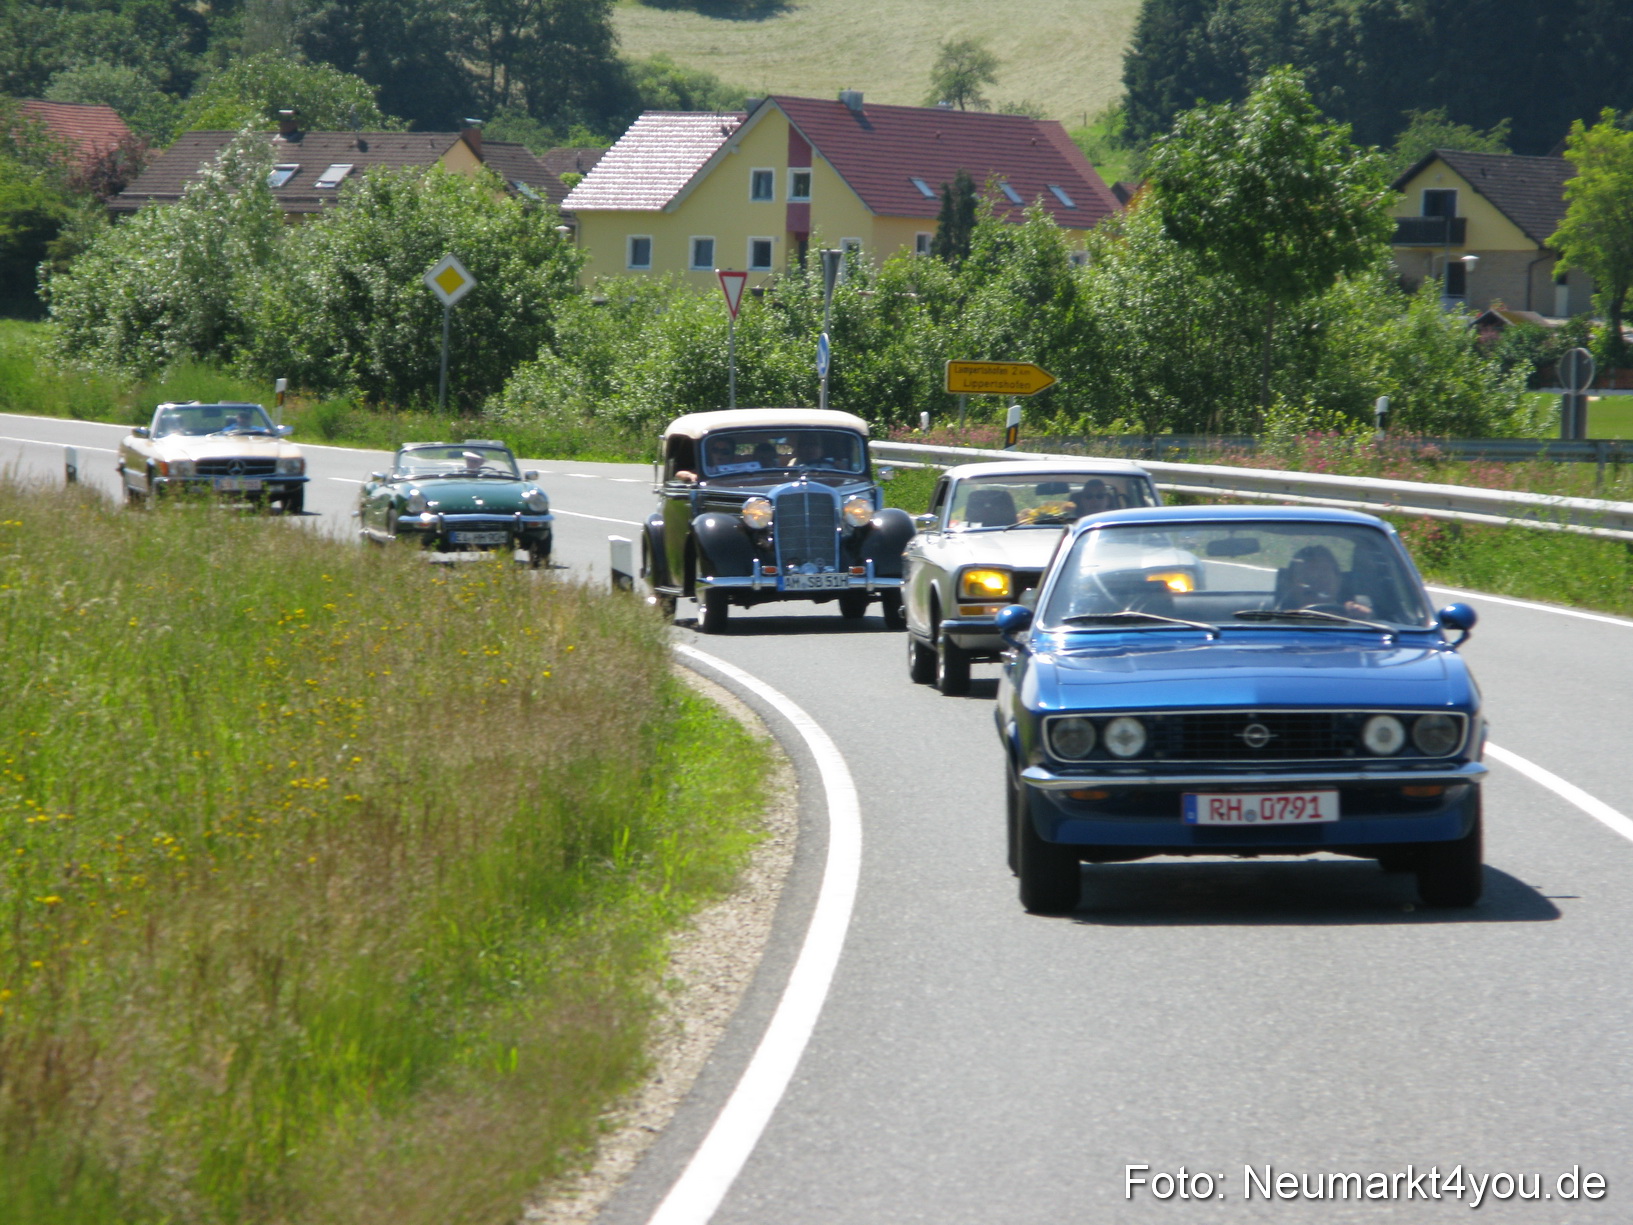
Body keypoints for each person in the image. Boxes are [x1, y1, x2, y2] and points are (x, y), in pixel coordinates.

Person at [1281, 544, 1373, 616]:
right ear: (1291, 583)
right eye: (1306, 578)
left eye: (1322, 576)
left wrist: (1365, 616)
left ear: (1338, 581)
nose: (1315, 585)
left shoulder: (1356, 618)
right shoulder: (1273, 620)